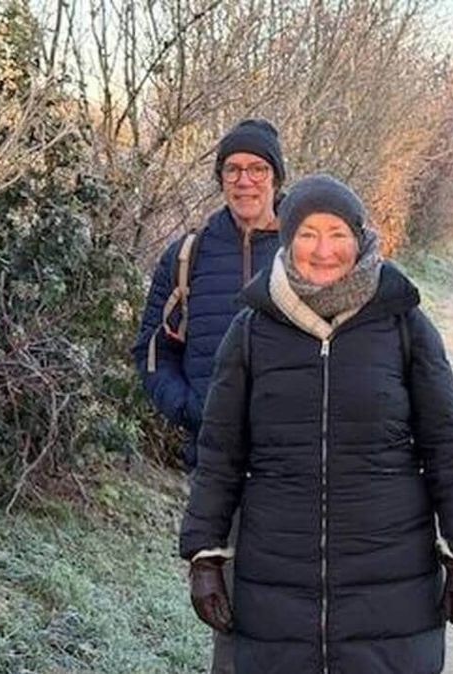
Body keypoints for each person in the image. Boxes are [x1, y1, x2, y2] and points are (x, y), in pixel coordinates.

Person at [179, 174, 453, 674]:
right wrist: (204, 557)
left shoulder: (404, 324)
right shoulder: (251, 332)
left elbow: (447, 448)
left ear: (359, 238)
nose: (323, 250)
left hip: (391, 575)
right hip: (276, 574)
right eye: (308, 234)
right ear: (287, 241)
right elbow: (219, 455)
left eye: (337, 234)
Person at [132, 118, 286, 673]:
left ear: (276, 177)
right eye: (233, 169)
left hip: (296, 464)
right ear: (220, 177)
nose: (245, 181)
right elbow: (152, 352)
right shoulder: (188, 256)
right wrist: (194, 410)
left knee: (300, 606)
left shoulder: (305, 250)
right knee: (230, 612)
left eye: (257, 169)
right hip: (218, 468)